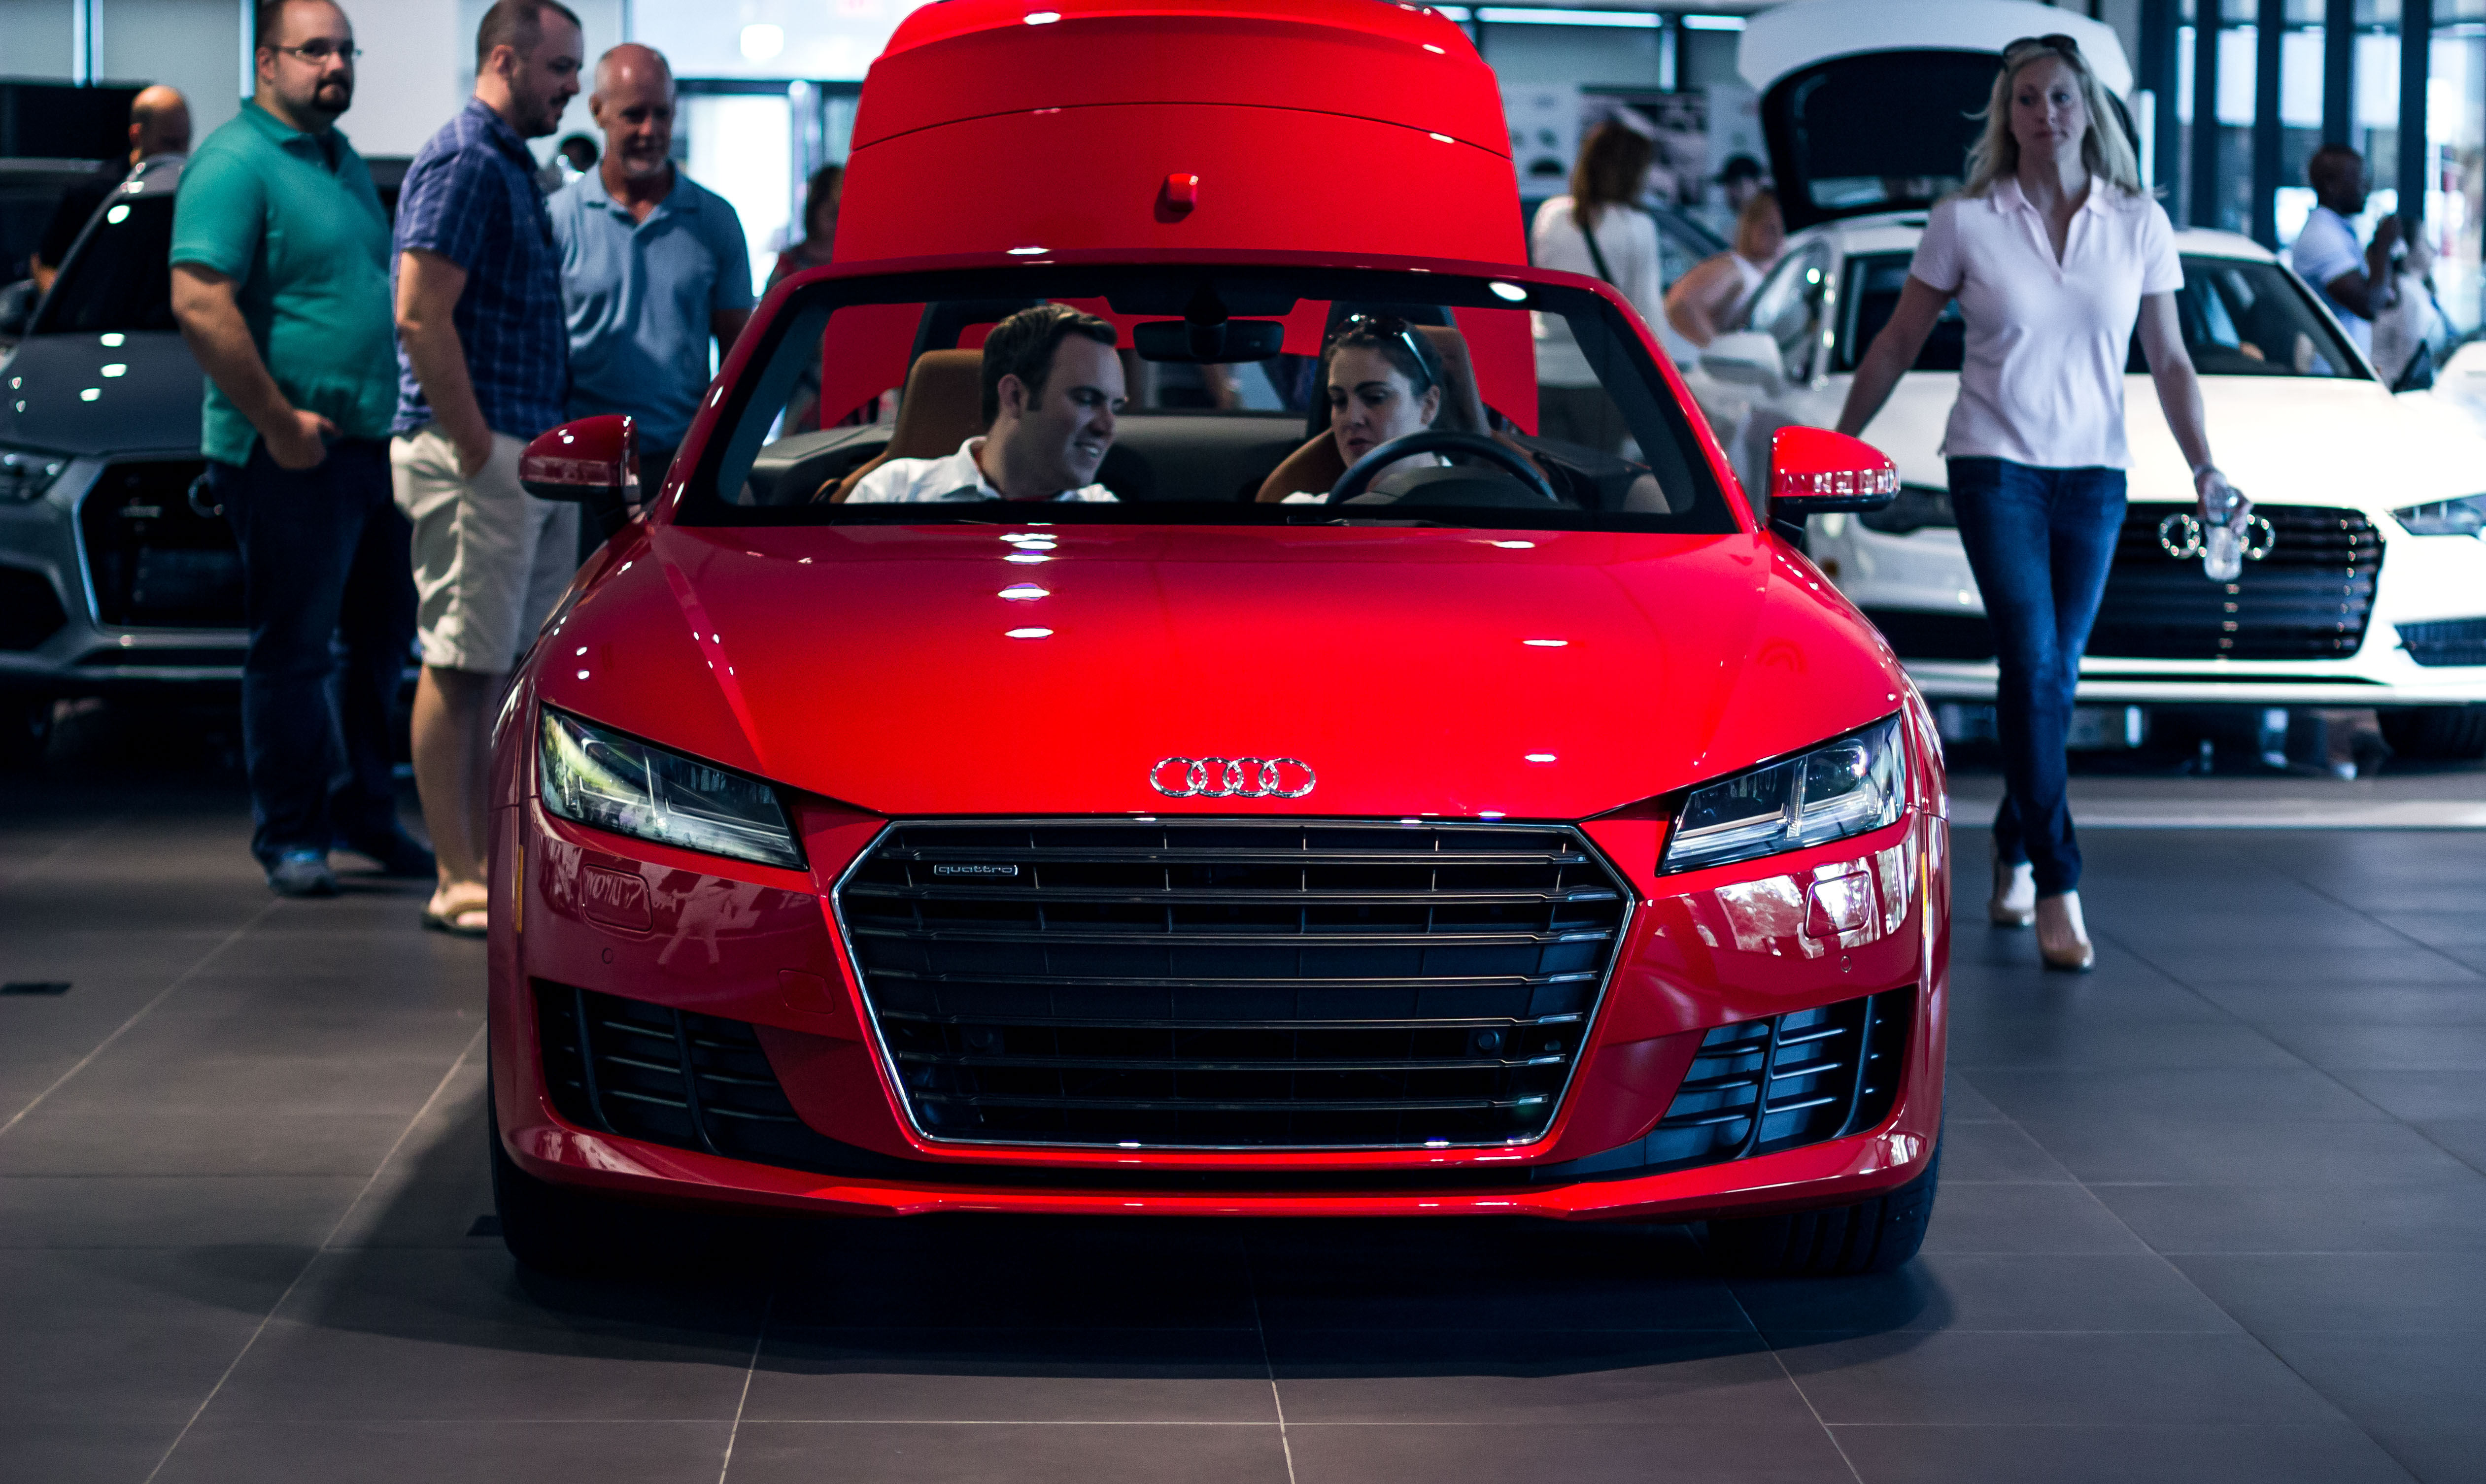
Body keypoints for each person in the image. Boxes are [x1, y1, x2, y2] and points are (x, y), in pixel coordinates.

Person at [1834, 34, 2232, 972]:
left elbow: (2171, 359)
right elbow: (1896, 341)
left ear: (2088, 110)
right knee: (2032, 655)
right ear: (2005, 116)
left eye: (2060, 97)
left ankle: (2014, 843)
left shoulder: (2139, 222)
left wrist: (2207, 466)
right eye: (2026, 99)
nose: (2044, 114)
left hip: (2096, 476)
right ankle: (2059, 880)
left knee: (2054, 678)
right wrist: (1841, 441)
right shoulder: (1965, 221)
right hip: (1994, 463)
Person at [169, 0, 423, 897]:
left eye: (346, 50)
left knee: (379, 645)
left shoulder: (338, 158)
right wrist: (279, 422)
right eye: (315, 50)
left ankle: (364, 812)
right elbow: (199, 300)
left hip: (366, 448)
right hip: (287, 452)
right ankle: (292, 835)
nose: (335, 65)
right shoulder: (236, 161)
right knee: (295, 650)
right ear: (267, 62)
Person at [390, 0, 582, 936]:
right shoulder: (468, 157)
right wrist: (473, 444)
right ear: (505, 60)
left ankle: (486, 867)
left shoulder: (504, 161)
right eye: (560, 68)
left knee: (500, 670)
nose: (573, 87)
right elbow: (420, 311)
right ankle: (456, 873)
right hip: (485, 450)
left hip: (520, 450)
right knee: (462, 665)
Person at [549, 43, 752, 501]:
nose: (651, 130)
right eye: (634, 115)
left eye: (662, 114)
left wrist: (727, 456)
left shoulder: (714, 220)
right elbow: (538, 354)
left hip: (681, 463)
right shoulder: (557, 220)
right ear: (598, 111)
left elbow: (737, 357)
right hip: (582, 466)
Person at [846, 304, 1123, 503]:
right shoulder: (892, 492)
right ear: (1015, 397)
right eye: (1087, 399)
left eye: (1115, 407)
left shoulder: (1108, 517)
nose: (1108, 427)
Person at [1530, 121, 1664, 450]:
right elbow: (1646, 312)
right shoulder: (1637, 226)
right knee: (1600, 475)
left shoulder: (1551, 215)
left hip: (1543, 370)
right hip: (1600, 376)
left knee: (1546, 472)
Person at [30, 84, 193, 294]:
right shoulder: (91, 194)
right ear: (137, 136)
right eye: (169, 143)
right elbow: (46, 266)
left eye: (186, 141)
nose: (180, 153)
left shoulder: (190, 192)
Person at [1282, 316, 1448, 500]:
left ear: (1428, 405)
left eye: (1375, 397)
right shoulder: (1305, 510)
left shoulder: (1472, 501)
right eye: (1339, 400)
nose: (1352, 418)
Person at [2292, 145, 2399, 360]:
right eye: (2360, 180)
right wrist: (2384, 246)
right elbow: (2368, 306)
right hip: (2326, 371)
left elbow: (2387, 300)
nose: (2367, 189)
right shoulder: (2323, 236)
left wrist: (2381, 253)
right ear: (2331, 186)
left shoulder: (2339, 231)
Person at [1664, 190, 1785, 347]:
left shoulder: (1771, 270)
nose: (1777, 235)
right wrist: (1720, 350)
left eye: (1781, 228)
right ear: (1751, 225)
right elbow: (1683, 303)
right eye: (1769, 228)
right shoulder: (1734, 269)